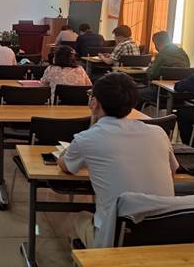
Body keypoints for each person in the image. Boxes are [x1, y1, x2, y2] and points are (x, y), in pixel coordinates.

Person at [58, 73, 178, 248]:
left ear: (94, 103)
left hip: (115, 239)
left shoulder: (87, 138)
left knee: (78, 218)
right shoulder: (158, 133)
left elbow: (65, 165)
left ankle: (87, 256)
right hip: (164, 234)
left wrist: (91, 126)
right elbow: (172, 173)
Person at [138, 31, 190, 106]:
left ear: (157, 43)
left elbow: (151, 75)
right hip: (180, 94)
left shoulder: (162, 55)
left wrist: (150, 67)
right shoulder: (183, 53)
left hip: (161, 94)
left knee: (133, 93)